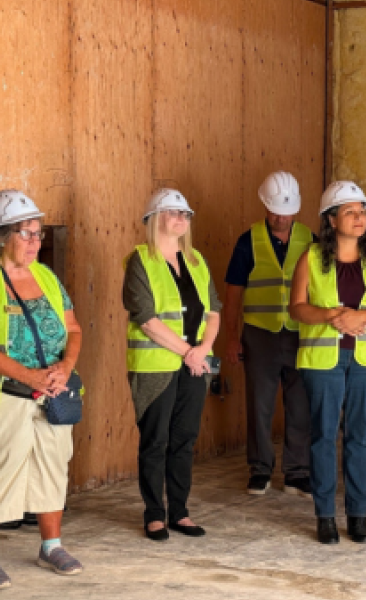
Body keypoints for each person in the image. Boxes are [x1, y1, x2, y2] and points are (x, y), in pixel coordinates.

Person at [0, 190, 84, 589]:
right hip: (1, 397)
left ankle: (51, 545)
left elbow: (73, 329)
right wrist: (30, 378)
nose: (35, 241)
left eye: (38, 234)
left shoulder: (47, 276)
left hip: (51, 393)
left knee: (51, 467)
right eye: (26, 233)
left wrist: (64, 367)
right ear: (1, 235)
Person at [290, 181, 366, 545]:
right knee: (323, 435)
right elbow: (297, 307)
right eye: (350, 212)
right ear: (331, 219)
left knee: (359, 438)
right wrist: (328, 315)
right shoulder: (311, 257)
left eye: (362, 211)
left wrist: (358, 318)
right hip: (323, 359)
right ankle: (324, 515)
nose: (359, 217)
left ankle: (357, 515)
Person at [122, 188, 221, 542]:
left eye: (185, 214)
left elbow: (213, 311)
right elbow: (147, 319)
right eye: (173, 212)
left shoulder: (196, 260)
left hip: (193, 366)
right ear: (153, 219)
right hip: (155, 368)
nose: (181, 219)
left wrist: (204, 349)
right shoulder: (140, 261)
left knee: (184, 439)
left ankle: (179, 511)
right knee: (156, 440)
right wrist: (189, 352)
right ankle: (154, 514)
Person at [223, 171, 314, 497]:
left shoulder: (311, 240)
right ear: (265, 205)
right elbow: (233, 294)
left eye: (287, 211)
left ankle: (297, 472)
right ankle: (260, 469)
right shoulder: (247, 241)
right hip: (259, 333)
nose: (281, 217)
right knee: (260, 404)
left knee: (300, 404)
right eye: (275, 210)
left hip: (300, 334)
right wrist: (232, 337)